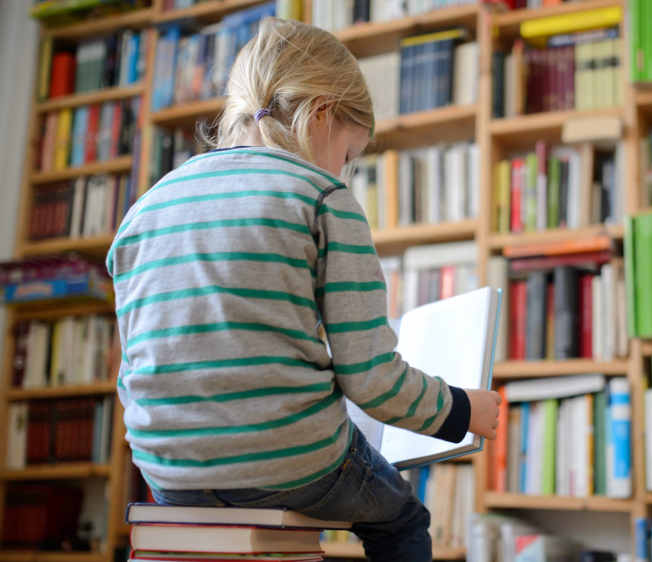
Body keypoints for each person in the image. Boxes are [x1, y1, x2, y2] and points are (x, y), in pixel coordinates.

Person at [107, 18, 500, 561]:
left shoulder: (144, 208)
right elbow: (374, 383)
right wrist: (462, 411)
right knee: (404, 520)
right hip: (287, 465)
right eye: (349, 154)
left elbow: (135, 369)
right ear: (320, 114)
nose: (344, 171)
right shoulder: (321, 198)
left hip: (167, 472)